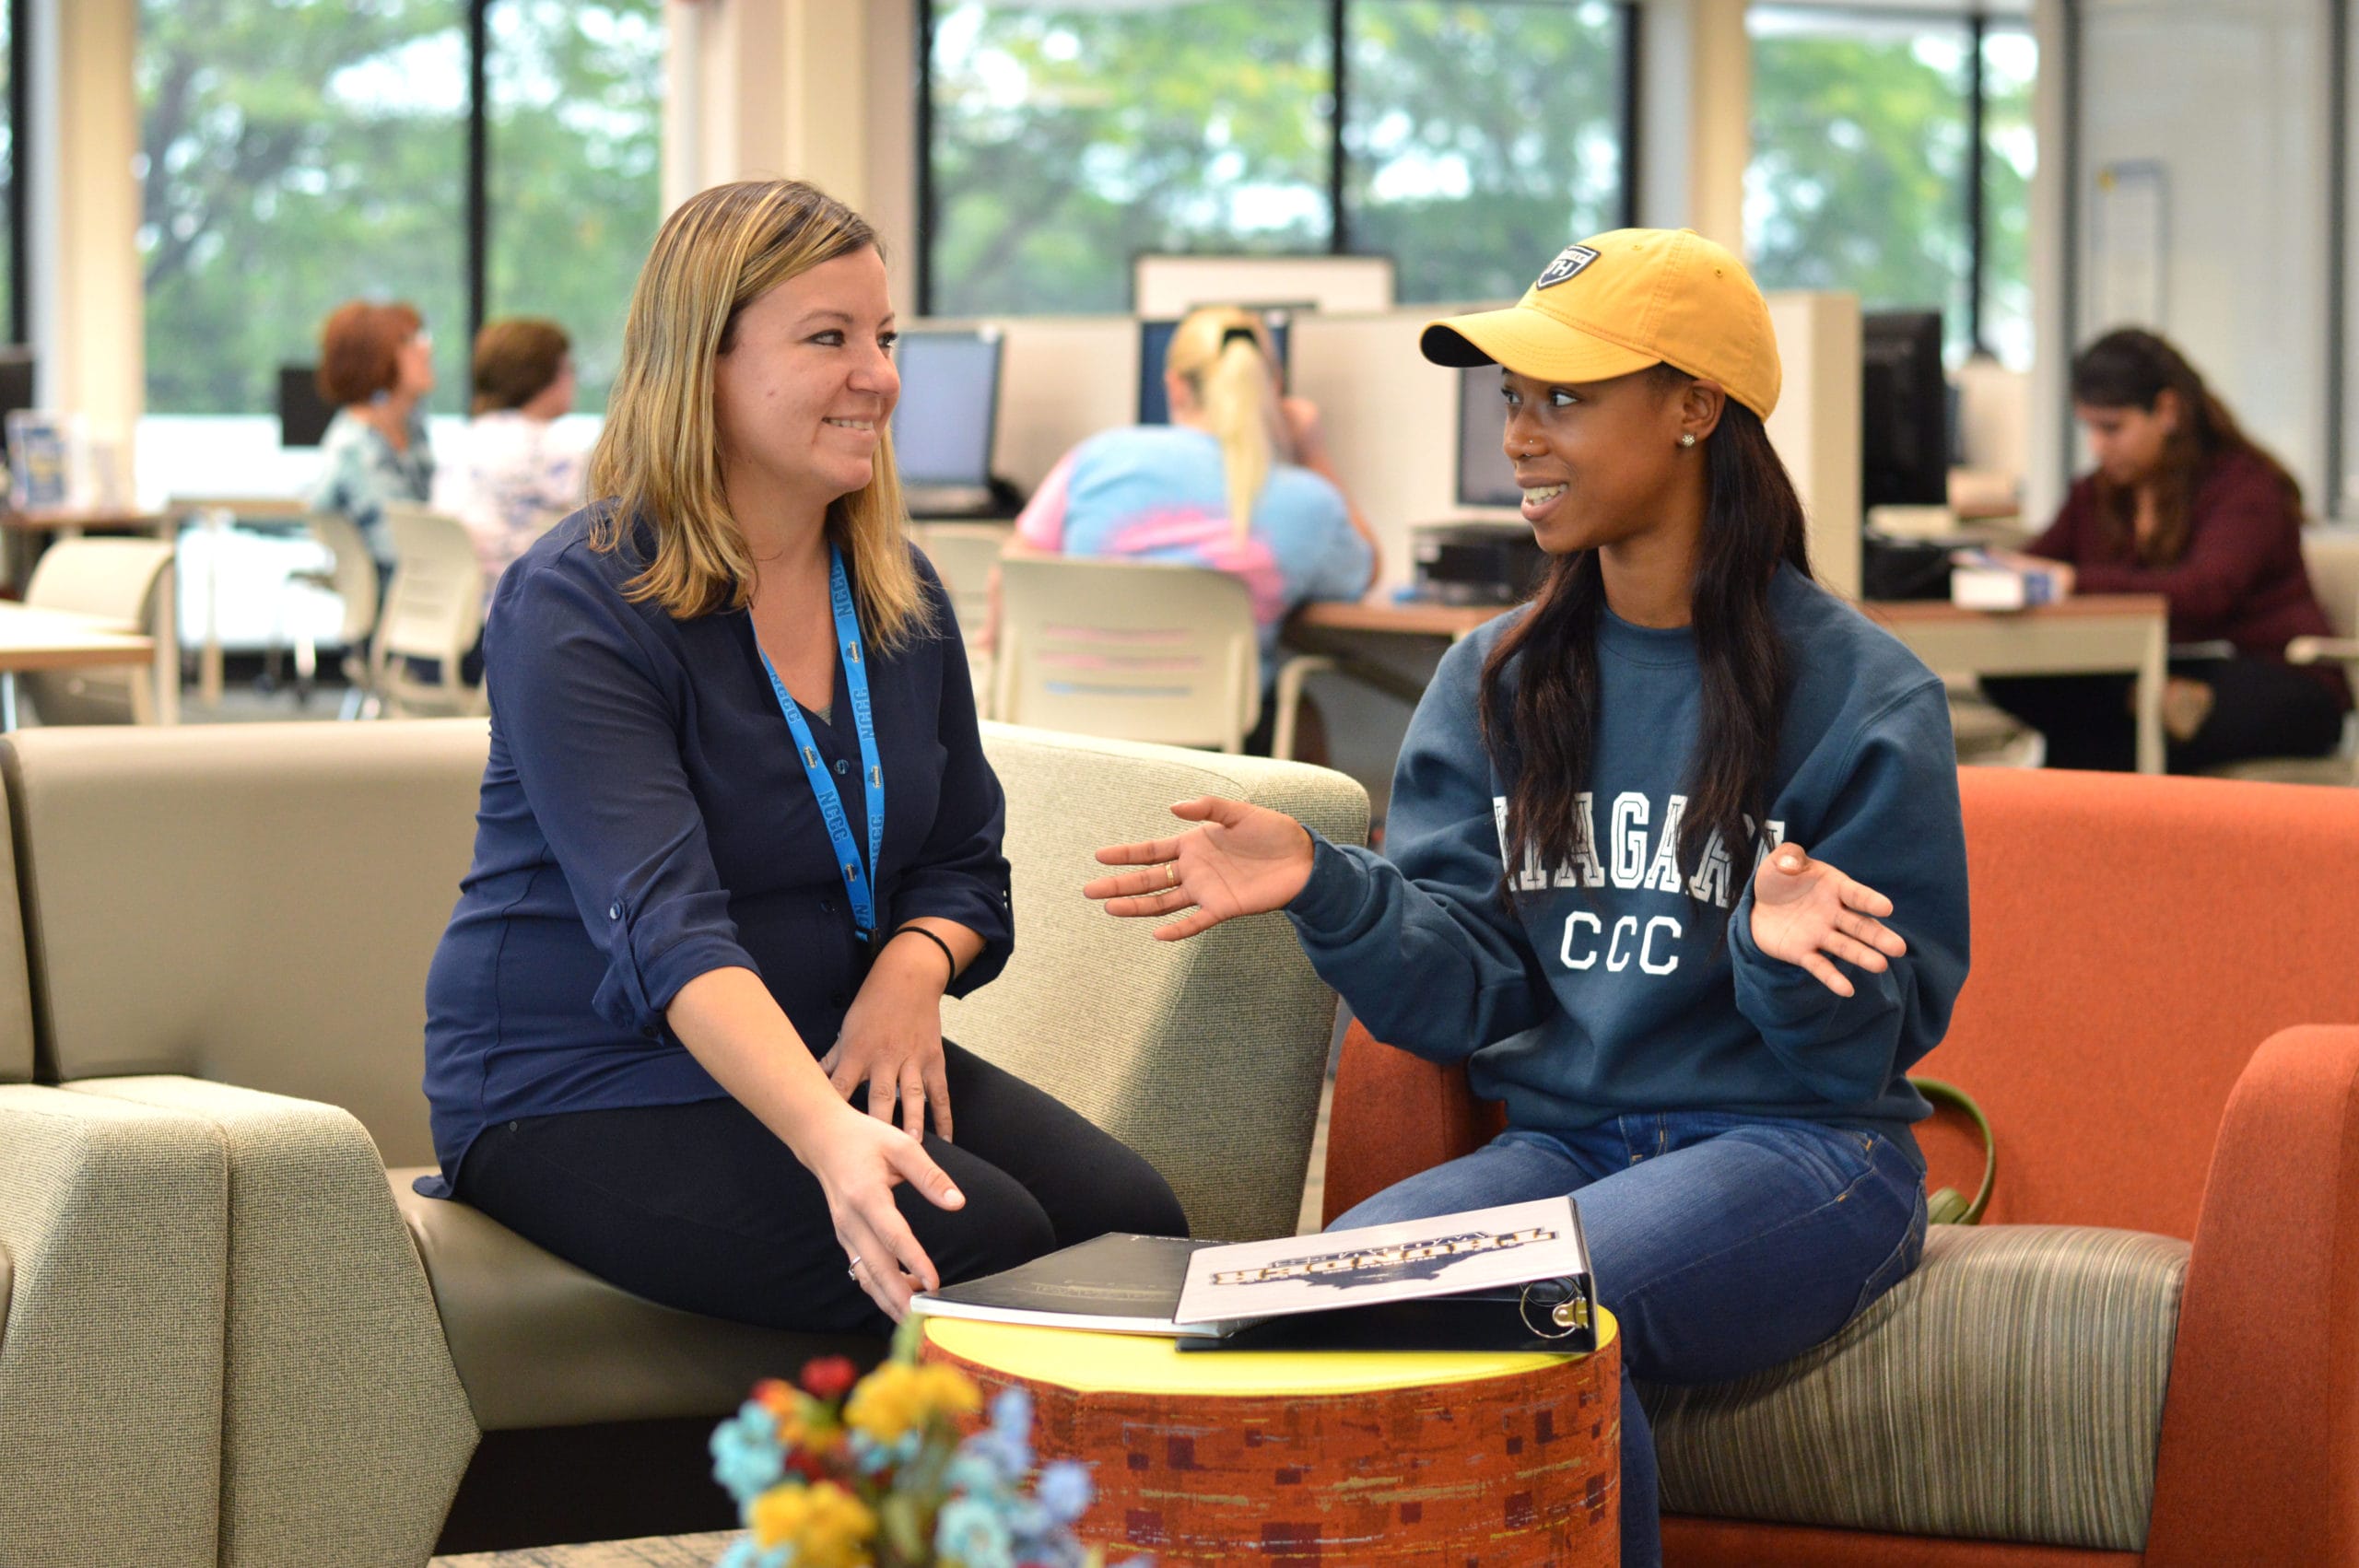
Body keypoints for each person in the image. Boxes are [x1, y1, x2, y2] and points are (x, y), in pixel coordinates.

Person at [1084, 229, 1970, 1568]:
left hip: (1805, 1152)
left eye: (1565, 396)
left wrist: (1783, 959)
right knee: (1295, 1299)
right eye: (1512, 397)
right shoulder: (1493, 678)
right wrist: (1330, 887)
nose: (1521, 438)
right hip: (1568, 1141)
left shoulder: (1862, 691)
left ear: (1693, 408)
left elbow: (1868, 1050)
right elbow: (1469, 997)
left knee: (1513, 1301)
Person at [419, 178, 1186, 1333]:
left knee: (1135, 1225)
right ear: (703, 368)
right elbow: (666, 933)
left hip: (827, 1041)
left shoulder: (894, 592)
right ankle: (903, 1519)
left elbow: (966, 863)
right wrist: (829, 1140)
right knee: (980, 1242)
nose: (877, 374)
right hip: (577, 1085)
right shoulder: (581, 602)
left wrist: (910, 971)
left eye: (880, 336)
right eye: (827, 338)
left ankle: (1086, 1519)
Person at [1008, 304, 1381, 754]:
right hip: (1217, 752)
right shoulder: (1307, 502)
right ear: (1272, 388)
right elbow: (1364, 571)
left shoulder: (1095, 459)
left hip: (1071, 737)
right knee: (1303, 714)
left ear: (1175, 386)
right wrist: (1312, 450)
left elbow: (1009, 577)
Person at [1979, 328, 2350, 771]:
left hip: (2270, 673)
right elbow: (2042, 560)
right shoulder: (2098, 493)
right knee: (2015, 672)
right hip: (2155, 668)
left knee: (2094, 744)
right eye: (2090, 428)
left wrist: (2074, 580)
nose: (2097, 446)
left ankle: (2146, 707)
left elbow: (2205, 593)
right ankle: (2147, 699)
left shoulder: (2245, 488)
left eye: (2112, 428)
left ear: (2167, 411)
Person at [435, 316, 590, 603]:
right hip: (515, 611)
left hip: (453, 614)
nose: (573, 379)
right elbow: (603, 528)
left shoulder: (463, 440)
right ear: (542, 376)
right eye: (568, 368)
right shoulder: (551, 450)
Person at [308, 299, 436, 572]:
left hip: (430, 596)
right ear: (372, 357)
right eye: (409, 340)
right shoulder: (356, 449)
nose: (426, 348)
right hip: (409, 603)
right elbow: (403, 552)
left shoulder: (410, 429)